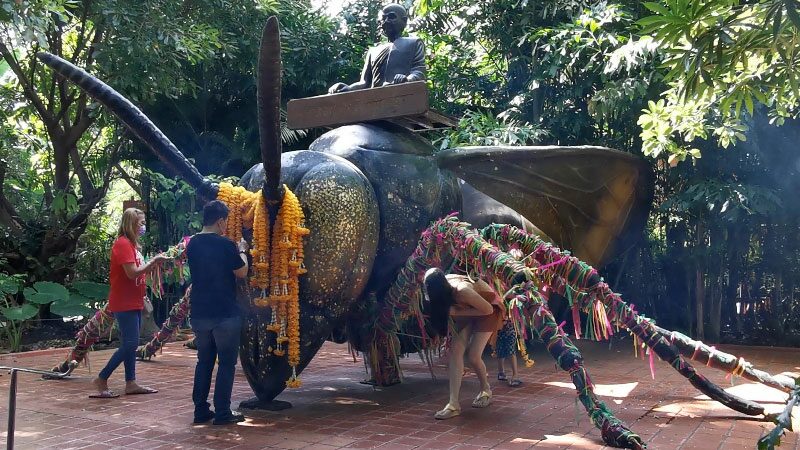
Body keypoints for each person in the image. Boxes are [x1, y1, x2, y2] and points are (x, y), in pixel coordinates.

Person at [91, 208, 168, 398]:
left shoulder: (132, 245)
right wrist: (154, 261)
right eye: (141, 224)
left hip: (134, 299)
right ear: (131, 224)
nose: (143, 227)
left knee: (130, 342)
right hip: (124, 301)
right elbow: (132, 272)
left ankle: (131, 382)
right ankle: (102, 378)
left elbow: (137, 272)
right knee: (130, 344)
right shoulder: (123, 244)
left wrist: (154, 266)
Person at [186, 200, 249, 425]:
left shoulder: (192, 243)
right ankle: (222, 412)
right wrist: (242, 251)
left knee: (204, 361)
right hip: (224, 313)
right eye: (226, 222)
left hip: (200, 313)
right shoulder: (226, 245)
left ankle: (200, 410)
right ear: (220, 221)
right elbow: (241, 272)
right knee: (226, 363)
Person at [423, 268, 505, 420]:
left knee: (473, 356)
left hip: (487, 309)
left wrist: (455, 313)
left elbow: (487, 310)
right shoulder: (443, 288)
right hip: (468, 308)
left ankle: (486, 390)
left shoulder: (461, 291)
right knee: (456, 352)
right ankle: (453, 404)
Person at [328, 4, 425, 94]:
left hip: (402, 97)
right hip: (375, 100)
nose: (386, 21)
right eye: (383, 18)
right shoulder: (373, 51)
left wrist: (407, 79)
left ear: (404, 21)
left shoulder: (414, 43)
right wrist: (348, 88)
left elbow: (419, 72)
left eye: (391, 17)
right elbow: (365, 83)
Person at [495, 318, 523, 387]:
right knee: (499, 350)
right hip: (498, 330)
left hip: (510, 329)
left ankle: (515, 375)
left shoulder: (512, 308)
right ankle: (501, 372)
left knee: (510, 350)